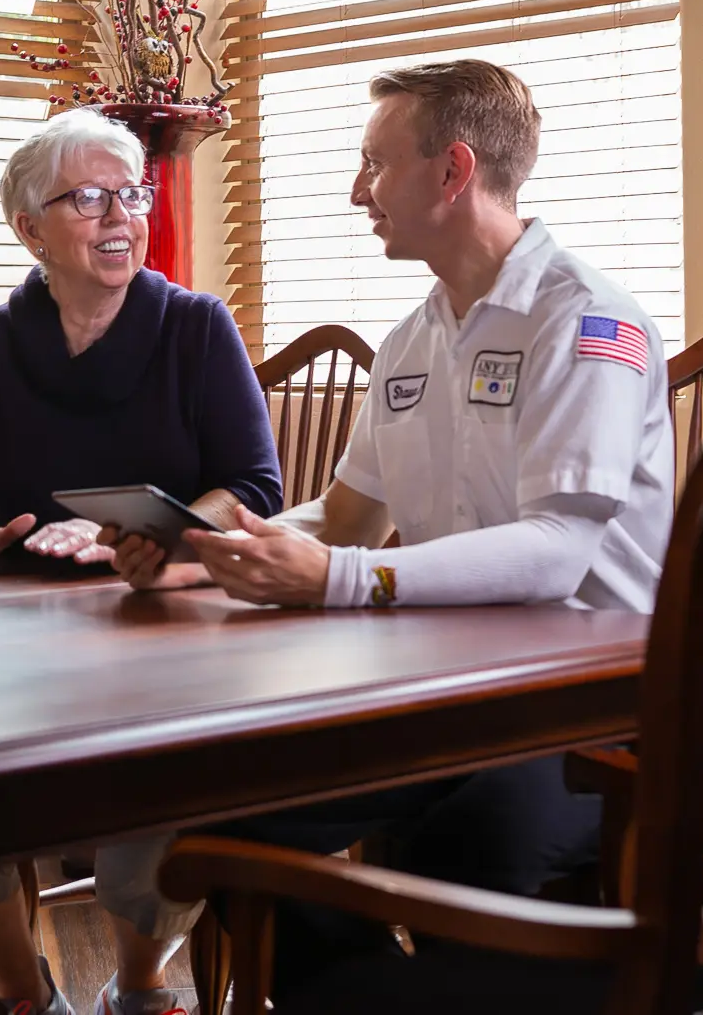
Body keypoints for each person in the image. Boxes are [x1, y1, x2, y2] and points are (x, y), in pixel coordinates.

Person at [171, 59, 676, 1002]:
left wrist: (341, 576)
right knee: (235, 829)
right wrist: (223, 549)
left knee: (462, 845)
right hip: (455, 700)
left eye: (373, 164)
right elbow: (347, 513)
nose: (356, 189)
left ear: (451, 172)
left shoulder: (588, 321)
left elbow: (559, 546)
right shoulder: (411, 340)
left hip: (607, 711)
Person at [0, 106, 283, 1015]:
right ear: (30, 228)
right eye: (88, 198)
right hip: (9, 652)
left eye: (132, 193)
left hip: (163, 633)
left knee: (164, 787)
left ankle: (139, 985)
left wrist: (156, 531)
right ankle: (24, 997)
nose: (121, 215)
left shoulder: (198, 329)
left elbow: (253, 486)